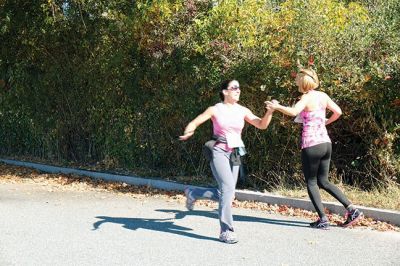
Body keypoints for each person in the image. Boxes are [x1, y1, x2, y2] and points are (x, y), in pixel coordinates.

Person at [265, 68, 363, 229]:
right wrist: (325, 122)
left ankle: (323, 219)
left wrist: (277, 107)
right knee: (323, 181)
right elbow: (338, 112)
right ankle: (352, 210)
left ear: (303, 82)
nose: (295, 82)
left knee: (311, 182)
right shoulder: (322, 96)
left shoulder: (306, 97)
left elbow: (293, 111)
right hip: (325, 143)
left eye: (297, 80)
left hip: (311, 144)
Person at [179, 79, 274, 243]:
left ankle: (194, 193)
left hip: (235, 151)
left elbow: (261, 125)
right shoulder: (215, 109)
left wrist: (269, 112)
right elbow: (195, 121)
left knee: (228, 192)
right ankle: (226, 230)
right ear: (225, 92)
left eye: (239, 87)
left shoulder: (243, 110)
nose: (238, 90)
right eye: (234, 87)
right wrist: (189, 131)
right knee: (228, 188)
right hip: (219, 150)